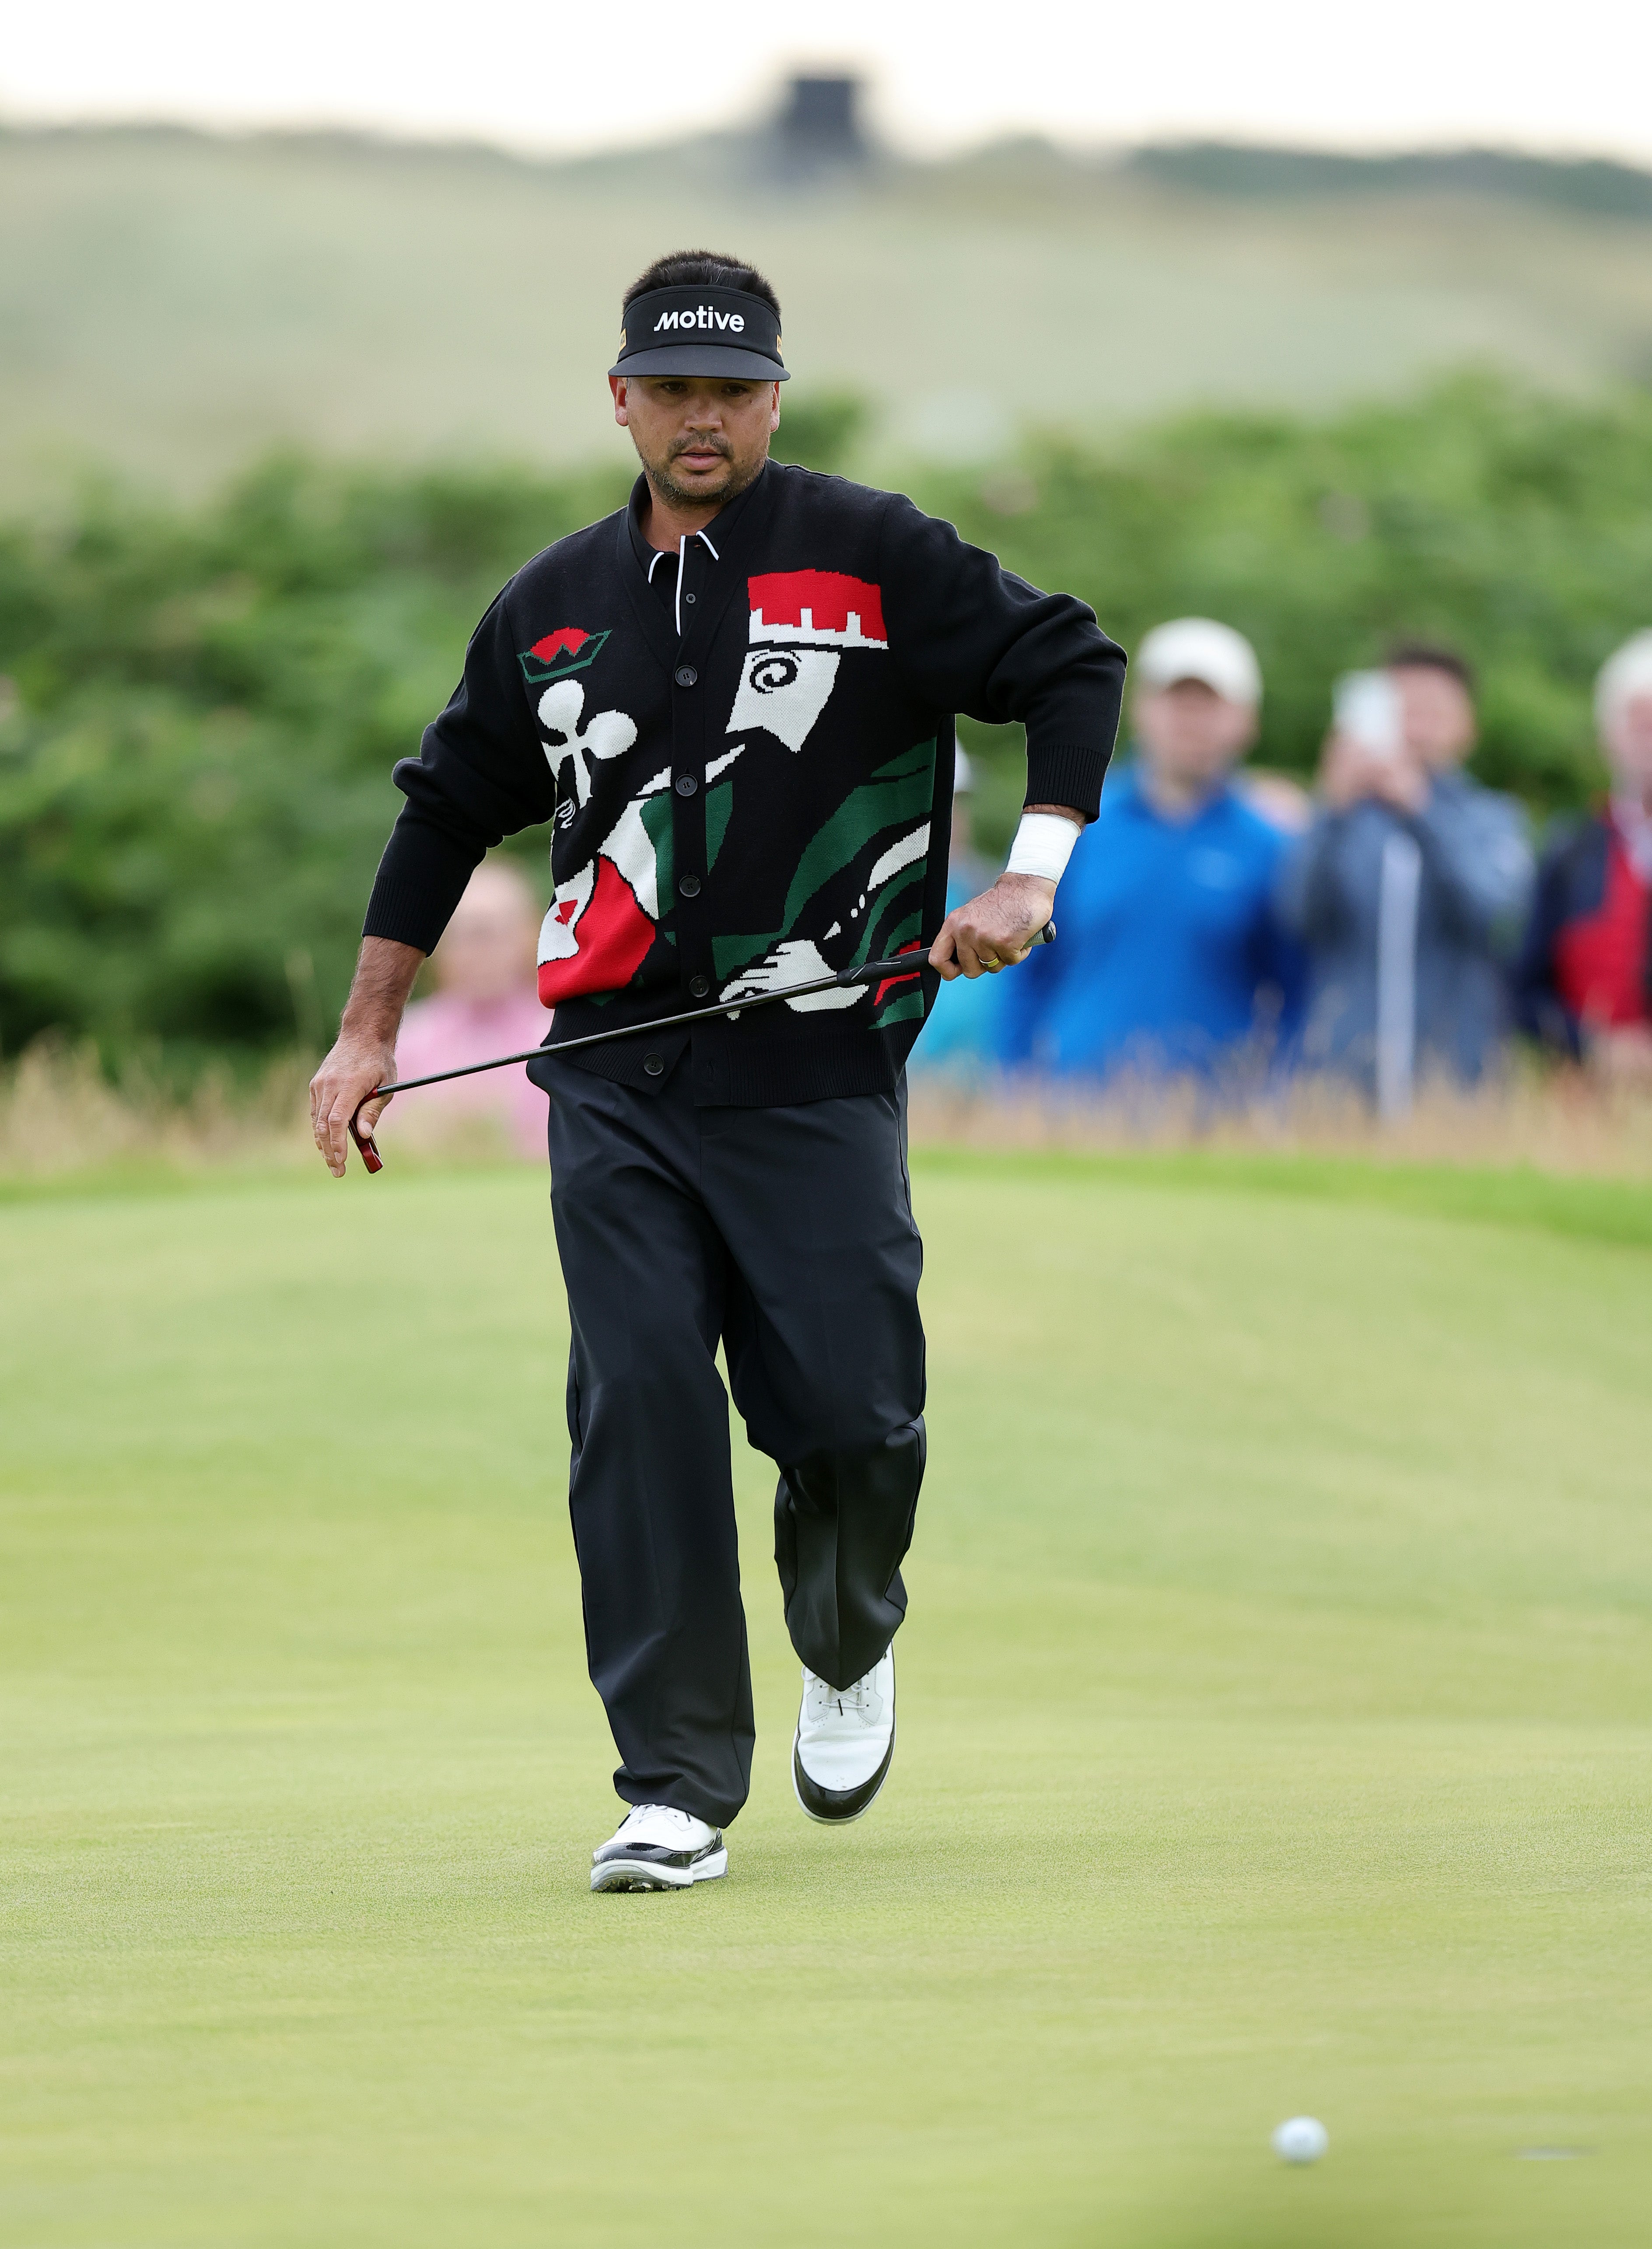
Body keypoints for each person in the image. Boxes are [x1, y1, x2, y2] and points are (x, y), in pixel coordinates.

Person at [309, 250, 1124, 1892]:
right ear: (620, 399)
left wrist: (1031, 875)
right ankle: (675, 1783)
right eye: (673, 390)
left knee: (851, 1419)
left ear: (773, 398)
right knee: (640, 1403)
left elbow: (1068, 664)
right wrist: (368, 1026)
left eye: (733, 390)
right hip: (612, 1078)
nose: (704, 417)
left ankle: (847, 1627)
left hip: (817, 1068)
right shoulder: (548, 605)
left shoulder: (873, 554)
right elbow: (446, 804)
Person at [997, 617, 1302, 1082]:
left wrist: (1282, 1093)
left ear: (1246, 722)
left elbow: (1295, 991)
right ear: (1138, 709)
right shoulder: (1070, 827)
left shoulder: (1272, 846)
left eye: (1209, 705)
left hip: (1218, 1107)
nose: (1190, 721)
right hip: (1073, 1101)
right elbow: (1023, 973)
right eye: (1176, 701)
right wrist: (1012, 1080)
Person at [1277, 642, 1532, 1109]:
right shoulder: (1343, 819)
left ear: (1468, 727)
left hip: (1458, 1080)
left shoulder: (1492, 817)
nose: (1417, 729)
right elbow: (1296, 915)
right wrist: (1331, 809)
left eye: (1435, 713)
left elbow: (1496, 918)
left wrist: (1422, 811)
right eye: (1404, 711)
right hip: (1342, 1078)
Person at [1516, 630, 1652, 1077]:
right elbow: (1525, 991)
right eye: (1638, 722)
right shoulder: (1570, 851)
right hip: (1589, 1096)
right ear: (1608, 737)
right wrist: (1592, 1045)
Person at [389, 858, 549, 1158]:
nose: (478, 951)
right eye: (463, 935)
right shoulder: (400, 1042)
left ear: (532, 936)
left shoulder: (559, 1037)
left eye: (490, 934)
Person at [906, 743, 1007, 1081]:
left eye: (957, 803)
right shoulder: (882, 905)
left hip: (983, 1086)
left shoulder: (995, 891)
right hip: (906, 1085)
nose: (953, 819)